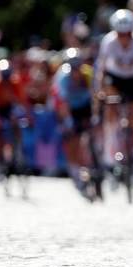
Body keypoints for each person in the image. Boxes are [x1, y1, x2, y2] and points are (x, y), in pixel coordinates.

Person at [95, 9, 133, 195]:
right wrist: (99, 92)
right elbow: (102, 70)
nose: (124, 37)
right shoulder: (109, 42)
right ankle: (110, 149)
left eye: (127, 33)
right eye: (121, 33)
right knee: (111, 101)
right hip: (116, 78)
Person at [52, 47, 95, 196]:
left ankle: (97, 159)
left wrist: (95, 116)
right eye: (73, 68)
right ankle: (75, 170)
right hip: (69, 108)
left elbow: (95, 96)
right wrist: (69, 121)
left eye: (79, 68)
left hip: (85, 105)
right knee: (74, 140)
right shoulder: (62, 78)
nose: (76, 72)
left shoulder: (89, 73)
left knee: (94, 129)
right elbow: (63, 104)